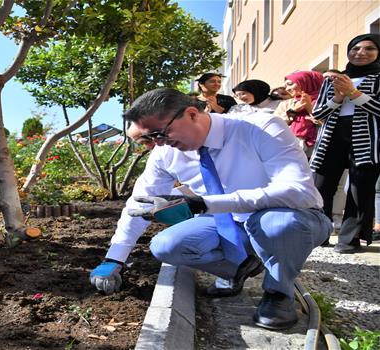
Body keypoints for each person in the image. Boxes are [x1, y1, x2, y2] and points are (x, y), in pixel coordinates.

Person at [89, 88, 330, 330]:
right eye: (150, 139)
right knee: (166, 246)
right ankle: (239, 269)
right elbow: (140, 203)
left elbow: (298, 191)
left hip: (290, 217)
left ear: (192, 114)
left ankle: (279, 293)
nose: (158, 144)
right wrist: (114, 258)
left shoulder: (260, 127)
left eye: (160, 134)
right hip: (229, 220)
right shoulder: (166, 153)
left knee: (276, 225)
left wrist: (207, 204)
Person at [310, 33, 380, 253]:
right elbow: (318, 112)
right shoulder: (332, 79)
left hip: (366, 139)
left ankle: (349, 240)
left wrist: (354, 93)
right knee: (321, 187)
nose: (361, 52)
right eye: (356, 48)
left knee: (360, 191)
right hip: (331, 137)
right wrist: (338, 98)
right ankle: (319, 234)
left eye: (369, 48)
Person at [274, 71, 324, 156]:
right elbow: (275, 125)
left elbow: (328, 123)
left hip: (321, 148)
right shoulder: (286, 104)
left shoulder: (324, 100)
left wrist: (309, 108)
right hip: (291, 148)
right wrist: (293, 111)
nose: (287, 89)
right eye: (285, 86)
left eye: (290, 84)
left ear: (305, 82)